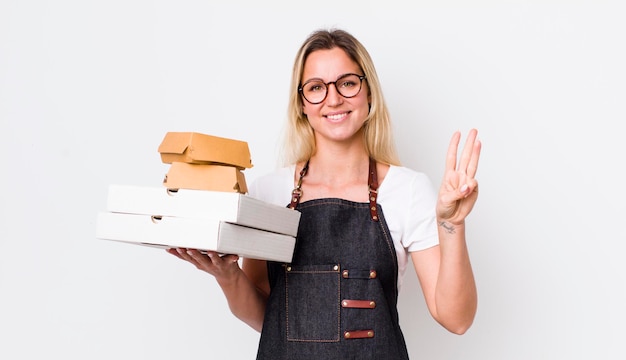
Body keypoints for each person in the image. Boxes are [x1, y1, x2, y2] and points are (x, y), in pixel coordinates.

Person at [167, 28, 481, 359]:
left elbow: (456, 319)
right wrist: (227, 275)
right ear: (302, 103)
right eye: (317, 87)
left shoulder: (408, 191)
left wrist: (454, 226)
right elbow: (268, 318)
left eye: (347, 83)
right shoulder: (268, 192)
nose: (333, 99)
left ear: (369, 93)